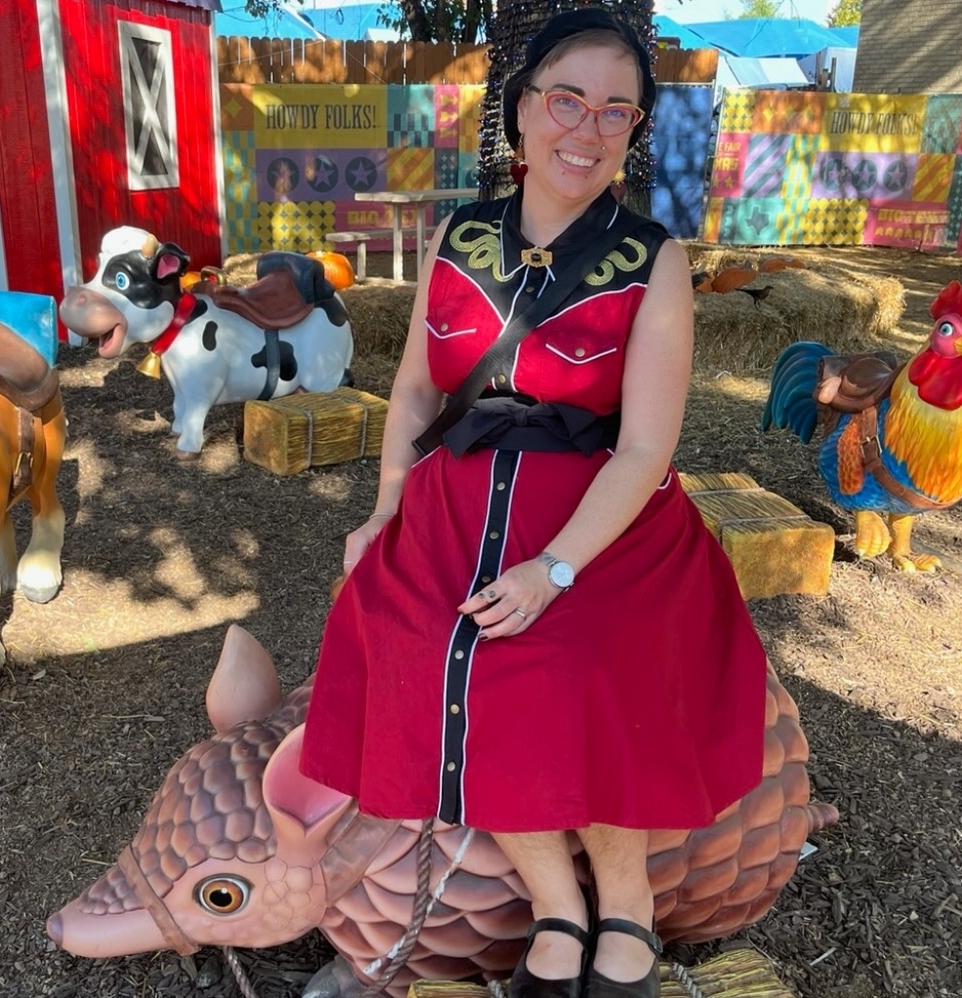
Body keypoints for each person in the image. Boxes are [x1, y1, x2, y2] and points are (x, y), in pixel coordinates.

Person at [300, 9, 767, 998]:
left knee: (572, 668)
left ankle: (627, 899)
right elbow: (421, 392)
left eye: (615, 111)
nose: (585, 129)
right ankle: (556, 896)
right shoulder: (458, 235)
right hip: (452, 513)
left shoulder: (654, 258)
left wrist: (553, 569)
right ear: (518, 112)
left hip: (601, 529)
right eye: (566, 100)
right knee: (430, 655)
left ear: (634, 131)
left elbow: (644, 445)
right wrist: (384, 513)